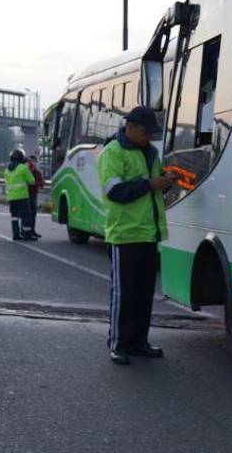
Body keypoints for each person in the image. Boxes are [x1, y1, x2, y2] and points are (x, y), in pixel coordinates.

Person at [98, 106, 174, 365]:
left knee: (143, 294)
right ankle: (118, 343)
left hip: (149, 234)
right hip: (124, 235)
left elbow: (153, 189)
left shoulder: (151, 153)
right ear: (130, 127)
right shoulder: (113, 152)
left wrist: (164, 182)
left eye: (151, 134)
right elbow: (115, 192)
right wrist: (151, 184)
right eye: (145, 133)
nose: (149, 138)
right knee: (123, 294)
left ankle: (139, 342)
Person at [4, 149, 37, 241]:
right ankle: (27, 235)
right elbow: (31, 181)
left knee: (14, 216)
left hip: (11, 197)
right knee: (26, 215)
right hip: (22, 196)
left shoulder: (7, 170)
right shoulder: (22, 168)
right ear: (21, 158)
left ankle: (16, 234)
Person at [26, 154, 45, 238]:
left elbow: (42, 184)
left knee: (33, 214)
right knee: (27, 214)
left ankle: (32, 231)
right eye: (30, 161)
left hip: (33, 195)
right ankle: (26, 231)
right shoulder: (25, 171)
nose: (32, 163)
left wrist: (35, 183)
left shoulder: (37, 172)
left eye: (33, 161)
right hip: (25, 195)